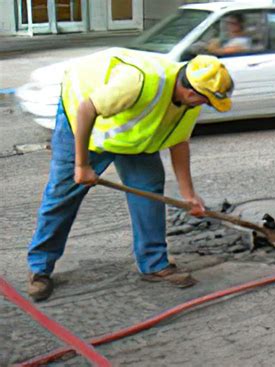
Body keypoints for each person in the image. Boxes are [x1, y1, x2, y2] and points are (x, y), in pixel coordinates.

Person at [27, 48, 234, 302]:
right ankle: (40, 269)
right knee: (62, 197)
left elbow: (179, 143)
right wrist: (81, 166)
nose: (206, 106)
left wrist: (188, 194)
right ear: (191, 91)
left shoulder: (189, 101)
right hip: (82, 124)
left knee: (149, 192)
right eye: (206, 100)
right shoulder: (138, 82)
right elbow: (85, 110)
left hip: (131, 139)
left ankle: (154, 264)